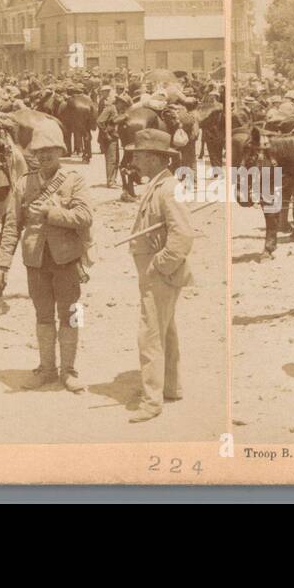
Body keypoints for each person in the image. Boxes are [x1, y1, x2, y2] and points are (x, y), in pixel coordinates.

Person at [0, 120, 93, 392]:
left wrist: (51, 213)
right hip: (36, 262)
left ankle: (69, 370)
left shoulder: (74, 180)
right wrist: (2, 263)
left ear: (61, 151)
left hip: (67, 261)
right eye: (39, 151)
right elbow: (12, 226)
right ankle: (47, 369)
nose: (45, 155)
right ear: (33, 155)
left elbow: (85, 217)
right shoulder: (23, 184)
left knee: (73, 314)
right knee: (43, 316)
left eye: (51, 150)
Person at [126, 129, 193, 423]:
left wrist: (160, 265)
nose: (135, 160)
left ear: (154, 158)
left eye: (139, 155)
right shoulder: (158, 184)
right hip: (155, 270)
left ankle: (151, 401)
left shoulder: (167, 188)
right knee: (165, 329)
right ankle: (171, 387)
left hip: (160, 272)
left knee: (150, 333)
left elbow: (182, 234)